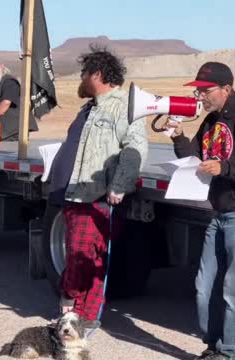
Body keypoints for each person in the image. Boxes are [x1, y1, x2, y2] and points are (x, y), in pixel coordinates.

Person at [166, 62, 235, 360]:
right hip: (220, 212)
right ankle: (213, 346)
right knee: (204, 285)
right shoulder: (211, 122)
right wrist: (178, 136)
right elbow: (195, 159)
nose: (201, 96)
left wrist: (224, 167)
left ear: (226, 89)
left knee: (234, 287)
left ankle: (227, 352)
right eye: (198, 90)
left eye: (205, 90)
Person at [47, 46, 148, 337]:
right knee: (82, 257)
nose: (81, 77)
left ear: (98, 74)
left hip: (97, 196)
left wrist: (120, 185)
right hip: (72, 193)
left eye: (84, 72)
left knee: (86, 258)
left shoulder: (124, 107)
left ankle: (80, 310)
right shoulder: (91, 106)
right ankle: (77, 316)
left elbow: (134, 149)